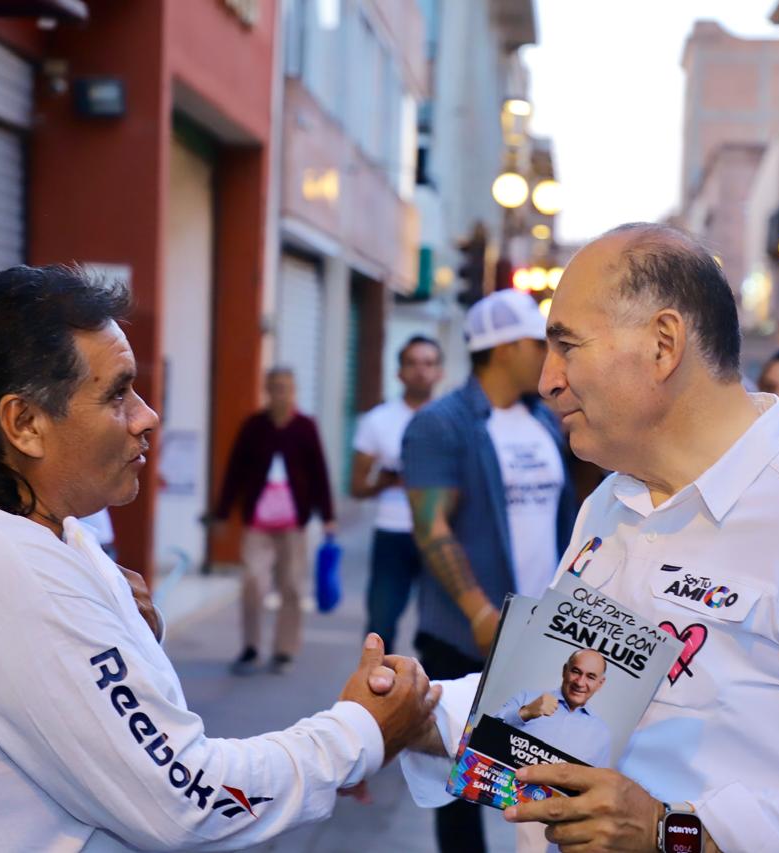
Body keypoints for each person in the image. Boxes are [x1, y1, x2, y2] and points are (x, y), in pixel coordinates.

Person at [396, 224, 779, 853]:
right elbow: (559, 702)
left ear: (664, 345)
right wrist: (420, 713)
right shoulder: (610, 502)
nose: (547, 380)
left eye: (567, 345)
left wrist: (675, 831)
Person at [0, 264, 439, 850]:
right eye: (117, 393)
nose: (147, 416)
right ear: (25, 423)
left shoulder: (47, 538)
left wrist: (128, 635)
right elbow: (191, 800)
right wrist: (358, 735)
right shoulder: (3, 569)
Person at [402, 288, 577, 853]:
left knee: (537, 772)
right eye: (537, 344)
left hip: (537, 633)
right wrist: (479, 612)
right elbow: (431, 527)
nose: (548, 358)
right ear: (502, 349)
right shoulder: (442, 424)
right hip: (464, 632)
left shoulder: (545, 423)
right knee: (464, 781)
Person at [213, 367, 336, 676]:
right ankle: (251, 646)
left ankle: (284, 649)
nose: (280, 393)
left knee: (292, 586)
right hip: (258, 521)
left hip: (294, 523)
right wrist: (223, 511)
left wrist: (328, 515)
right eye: (275, 387)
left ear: (294, 392)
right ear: (266, 390)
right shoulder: (254, 426)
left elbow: (319, 472)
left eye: (286, 388)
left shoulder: (306, 427)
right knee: (253, 581)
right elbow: (234, 471)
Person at [350, 335, 444, 653]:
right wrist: (385, 481)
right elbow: (357, 486)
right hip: (392, 533)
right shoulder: (378, 420)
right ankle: (375, 695)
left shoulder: (452, 420)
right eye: (413, 363)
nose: (421, 371)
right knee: (381, 625)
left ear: (439, 372)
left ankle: (431, 698)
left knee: (440, 631)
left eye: (429, 363)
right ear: (399, 372)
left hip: (441, 532)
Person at [496, 649, 612, 769]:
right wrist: (526, 712)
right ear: (564, 671)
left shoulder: (601, 733)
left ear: (600, 683)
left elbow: (596, 782)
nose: (580, 683)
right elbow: (487, 731)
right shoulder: (525, 698)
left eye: (590, 677)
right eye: (576, 672)